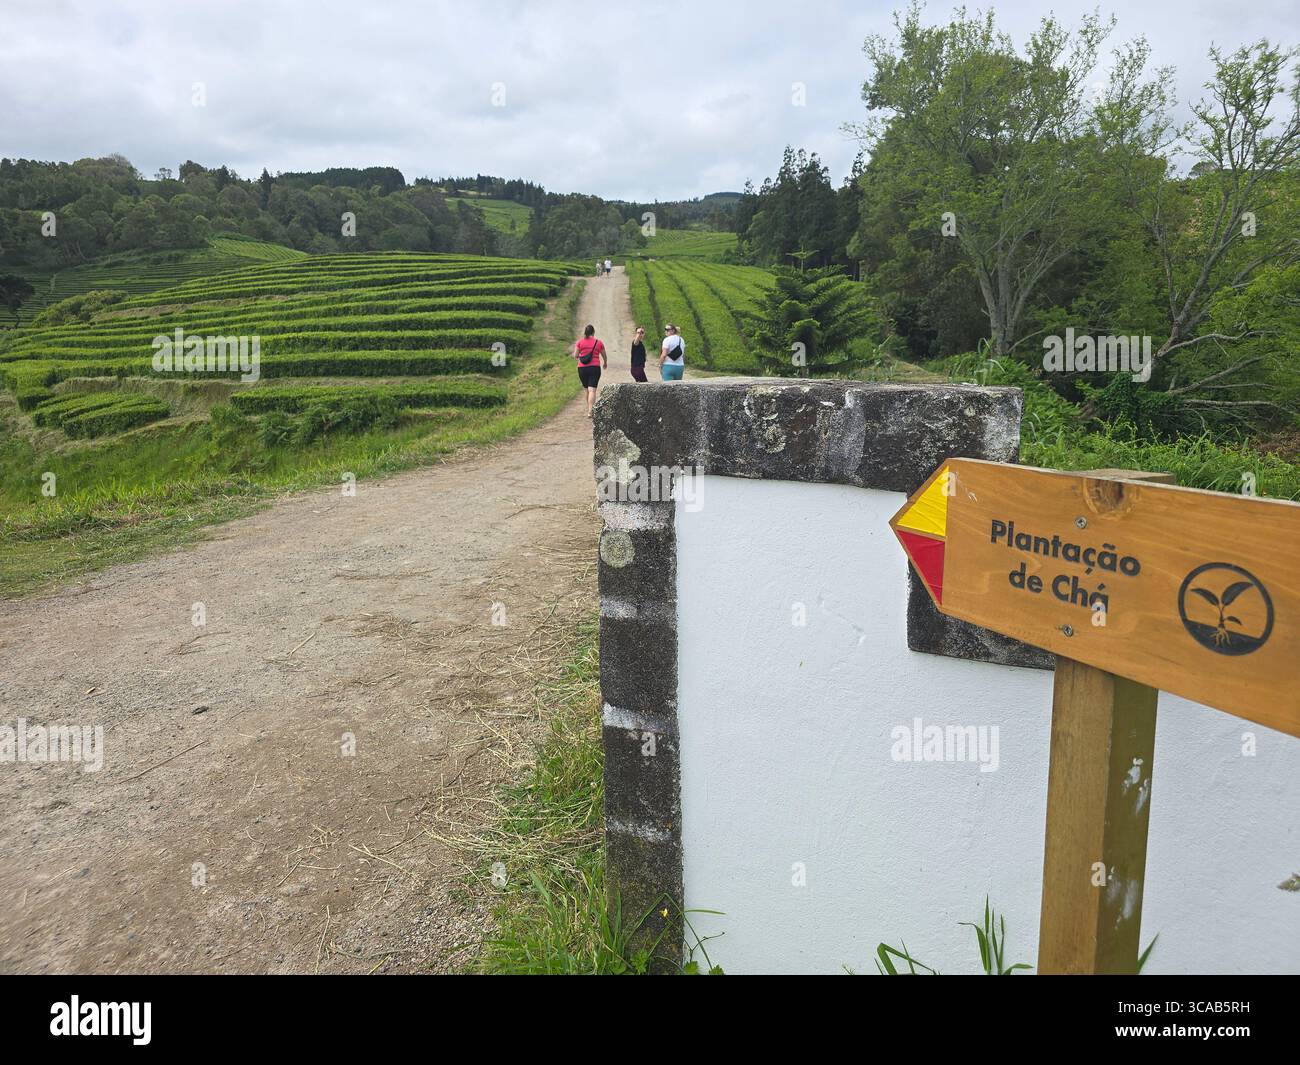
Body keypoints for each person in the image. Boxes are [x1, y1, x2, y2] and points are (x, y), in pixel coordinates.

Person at [573, 323, 607, 417]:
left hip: (582, 369)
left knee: (586, 390)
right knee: (592, 390)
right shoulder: (598, 342)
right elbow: (604, 354)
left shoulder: (580, 342)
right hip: (594, 368)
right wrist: (605, 362)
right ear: (593, 332)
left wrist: (582, 356)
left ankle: (589, 408)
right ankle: (590, 411)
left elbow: (575, 355)